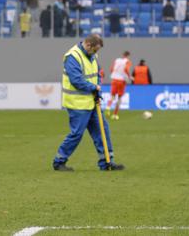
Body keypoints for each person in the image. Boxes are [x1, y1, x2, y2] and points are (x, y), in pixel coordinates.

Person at [53, 34, 125, 171]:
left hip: (92, 101)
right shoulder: (72, 57)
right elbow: (76, 81)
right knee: (76, 134)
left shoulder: (93, 55)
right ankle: (59, 161)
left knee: (102, 129)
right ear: (88, 45)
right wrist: (94, 88)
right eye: (95, 50)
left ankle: (106, 162)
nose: (96, 53)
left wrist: (97, 88)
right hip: (77, 104)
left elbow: (97, 74)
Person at [107, 51, 132, 120]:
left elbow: (111, 69)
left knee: (112, 96)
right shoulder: (127, 61)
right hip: (121, 81)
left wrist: (114, 75)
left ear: (123, 55)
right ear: (128, 55)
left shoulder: (117, 60)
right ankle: (115, 114)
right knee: (119, 97)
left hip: (114, 79)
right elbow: (126, 69)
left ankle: (108, 107)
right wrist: (129, 76)